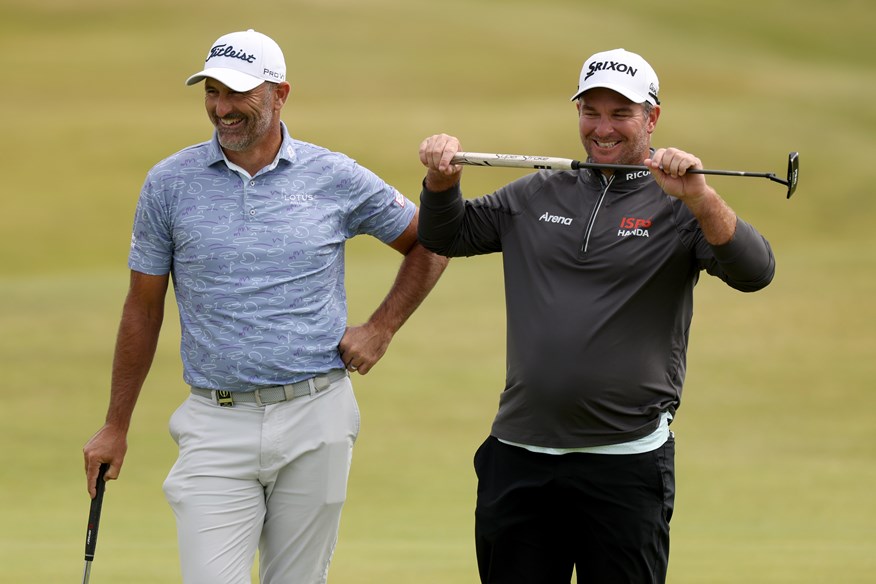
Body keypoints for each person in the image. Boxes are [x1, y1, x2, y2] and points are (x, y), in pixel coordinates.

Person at [82, 29, 448, 584]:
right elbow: (143, 308)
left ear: (280, 94)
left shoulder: (333, 176)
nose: (222, 108)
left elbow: (431, 240)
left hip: (316, 413)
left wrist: (382, 327)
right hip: (214, 421)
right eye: (212, 92)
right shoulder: (169, 184)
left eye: (238, 94)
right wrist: (115, 424)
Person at [417, 48, 775, 583]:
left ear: (652, 118)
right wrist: (441, 184)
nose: (602, 128)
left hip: (625, 464)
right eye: (591, 111)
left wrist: (700, 198)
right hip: (520, 455)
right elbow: (445, 236)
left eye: (620, 113)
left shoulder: (678, 208)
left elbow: (755, 271)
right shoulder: (535, 192)